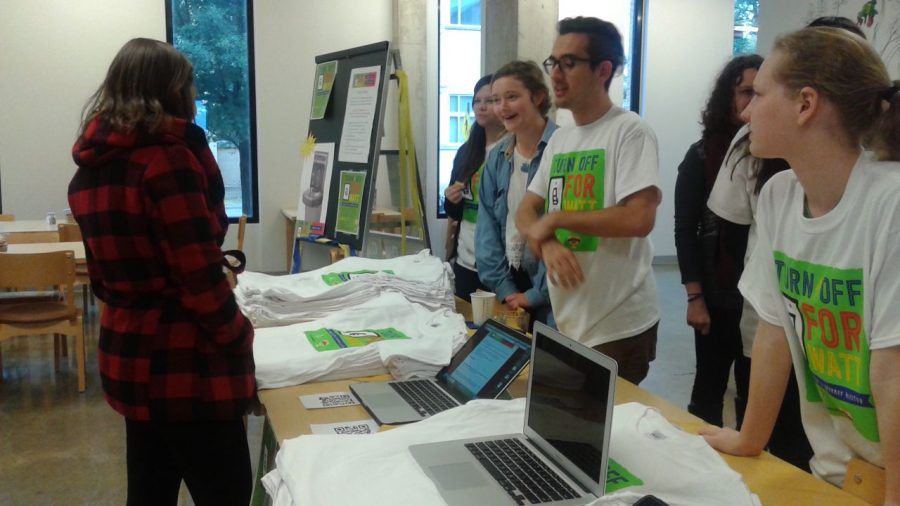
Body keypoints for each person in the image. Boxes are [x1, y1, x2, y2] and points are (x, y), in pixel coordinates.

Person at [700, 27, 900, 503]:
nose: (746, 111)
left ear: (805, 104)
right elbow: (775, 328)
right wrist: (750, 438)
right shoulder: (779, 194)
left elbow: (892, 370)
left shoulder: (889, 202)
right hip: (840, 469)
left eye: (761, 94)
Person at [68, 38, 255, 506]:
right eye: (188, 86)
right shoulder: (167, 160)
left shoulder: (90, 170)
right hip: (185, 364)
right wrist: (241, 336)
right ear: (169, 92)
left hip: (129, 354)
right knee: (228, 493)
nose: (193, 97)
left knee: (149, 493)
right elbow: (199, 281)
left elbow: (102, 283)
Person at [516, 17, 661, 384]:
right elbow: (526, 208)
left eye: (569, 63)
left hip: (616, 321)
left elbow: (639, 218)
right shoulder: (563, 139)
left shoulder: (630, 131)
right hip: (570, 317)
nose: (556, 75)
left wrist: (557, 219)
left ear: (603, 70)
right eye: (553, 63)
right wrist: (546, 241)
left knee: (599, 432)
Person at [674, 55, 761, 428]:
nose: (753, 102)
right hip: (716, 295)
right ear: (728, 97)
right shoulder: (701, 155)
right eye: (746, 92)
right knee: (708, 392)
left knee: (753, 395)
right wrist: (695, 298)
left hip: (759, 301)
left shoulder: (773, 157)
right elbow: (685, 230)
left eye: (761, 92)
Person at [475, 61, 557, 327]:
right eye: (497, 99)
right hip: (510, 283)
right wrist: (506, 289)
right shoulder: (498, 157)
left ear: (537, 97)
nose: (502, 108)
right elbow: (486, 229)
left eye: (512, 97)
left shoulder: (563, 148)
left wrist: (536, 295)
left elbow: (567, 235)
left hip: (555, 293)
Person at [444, 75, 506, 301]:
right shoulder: (466, 151)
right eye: (477, 100)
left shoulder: (512, 150)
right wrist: (451, 200)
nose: (481, 106)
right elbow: (454, 212)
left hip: (499, 263)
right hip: (464, 258)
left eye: (489, 100)